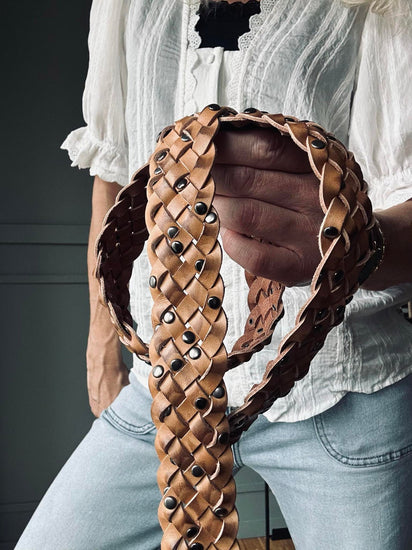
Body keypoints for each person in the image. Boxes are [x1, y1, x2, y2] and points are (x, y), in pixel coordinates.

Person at [15, 0, 412, 549]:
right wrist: (102, 348)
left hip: (339, 392)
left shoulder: (378, 9)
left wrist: (347, 245)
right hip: (163, 386)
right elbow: (113, 176)